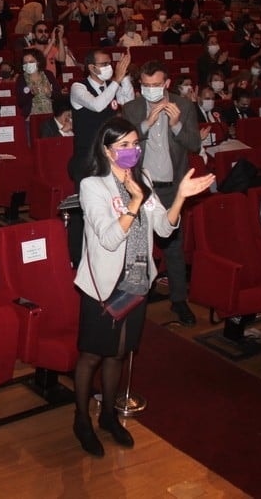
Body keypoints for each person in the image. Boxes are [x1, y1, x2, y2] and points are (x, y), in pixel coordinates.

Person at [71, 118, 212, 457]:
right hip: (104, 286)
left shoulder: (144, 179)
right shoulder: (93, 186)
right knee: (93, 354)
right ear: (107, 151)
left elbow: (164, 229)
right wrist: (134, 202)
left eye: (135, 144)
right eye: (123, 146)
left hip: (137, 281)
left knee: (120, 352)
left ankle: (107, 415)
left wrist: (179, 197)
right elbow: (107, 237)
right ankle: (81, 419)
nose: (132, 151)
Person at [121, 61, 203, 325]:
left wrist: (177, 124)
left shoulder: (184, 105)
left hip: (171, 188)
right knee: (134, 246)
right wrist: (146, 123)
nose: (151, 90)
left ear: (167, 84)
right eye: (145, 85)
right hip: (140, 188)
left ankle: (179, 300)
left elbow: (194, 144)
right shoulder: (131, 107)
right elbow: (122, 147)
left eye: (156, 85)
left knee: (174, 247)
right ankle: (132, 299)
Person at [68, 50, 134, 183]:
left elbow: (129, 101)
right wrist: (117, 80)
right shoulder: (78, 87)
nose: (109, 67)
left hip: (110, 154)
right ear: (91, 67)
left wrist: (124, 75)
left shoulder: (111, 85)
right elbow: (97, 105)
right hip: (88, 156)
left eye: (110, 63)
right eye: (104, 64)